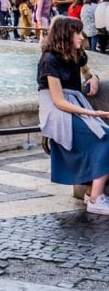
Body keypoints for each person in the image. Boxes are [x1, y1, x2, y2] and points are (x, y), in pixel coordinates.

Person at [37, 16, 109, 215]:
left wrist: (93, 78)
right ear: (65, 35)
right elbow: (58, 101)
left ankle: (91, 192)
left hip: (75, 104)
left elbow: (87, 71)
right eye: (77, 32)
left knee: (102, 137)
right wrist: (93, 113)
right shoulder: (49, 60)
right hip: (57, 110)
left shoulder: (76, 53)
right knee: (104, 138)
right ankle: (95, 197)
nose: (82, 36)